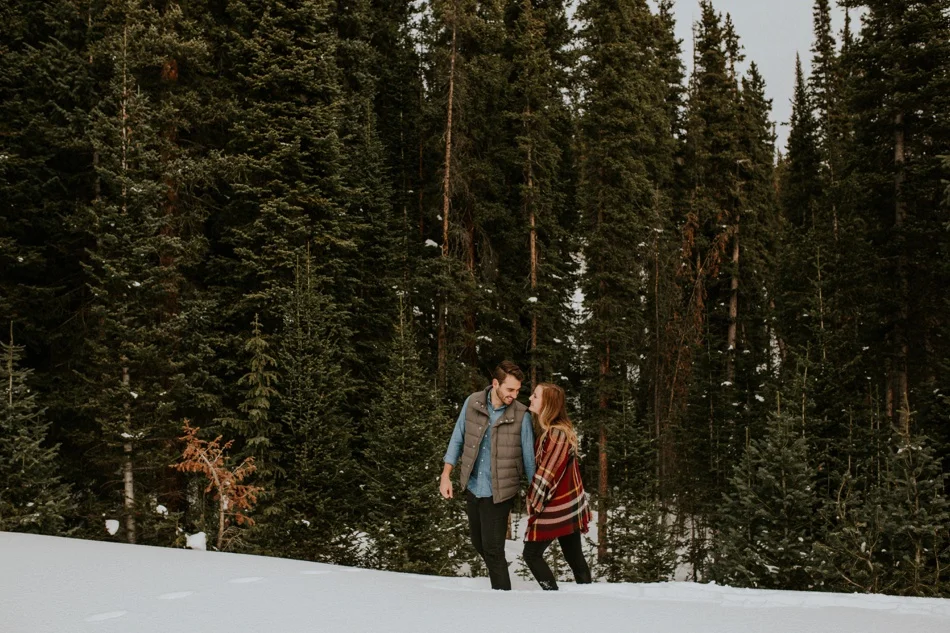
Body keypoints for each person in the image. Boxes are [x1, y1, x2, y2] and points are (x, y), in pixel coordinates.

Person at [440, 361, 536, 591]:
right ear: (495, 384)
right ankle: (499, 582)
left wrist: (533, 494)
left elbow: (529, 458)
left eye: (517, 390)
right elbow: (457, 437)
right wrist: (446, 475)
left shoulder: (521, 415)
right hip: (473, 485)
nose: (514, 395)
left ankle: (502, 599)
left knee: (493, 550)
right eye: (509, 389)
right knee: (478, 543)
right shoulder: (472, 402)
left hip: (500, 491)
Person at [523, 382, 592, 590]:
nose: (530, 399)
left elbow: (547, 475)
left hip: (557, 506)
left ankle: (551, 595)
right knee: (574, 556)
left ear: (548, 404)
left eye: (535, 396)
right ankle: (588, 596)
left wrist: (533, 501)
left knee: (531, 554)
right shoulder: (555, 431)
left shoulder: (557, 434)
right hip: (568, 506)